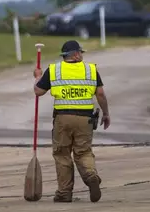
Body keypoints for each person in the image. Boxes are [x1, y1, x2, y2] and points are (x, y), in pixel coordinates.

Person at [33, 40, 110, 203]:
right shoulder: (91, 69)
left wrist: (38, 77)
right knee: (83, 152)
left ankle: (64, 193)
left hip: (63, 119)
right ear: (75, 54)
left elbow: (38, 91)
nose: (82, 55)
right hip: (85, 119)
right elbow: (101, 94)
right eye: (80, 52)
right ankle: (90, 175)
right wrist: (106, 114)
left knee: (62, 154)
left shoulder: (54, 70)